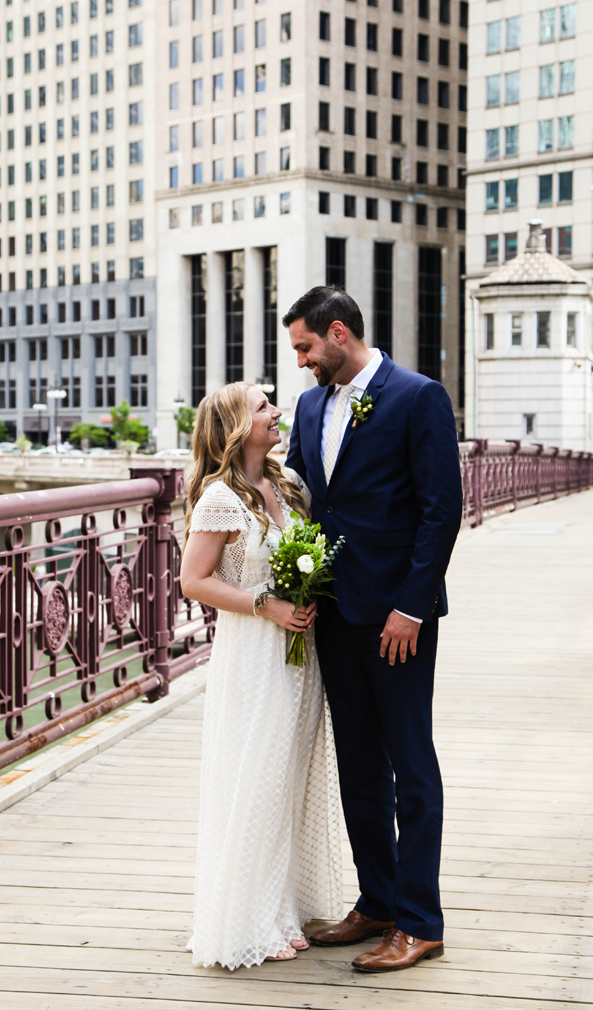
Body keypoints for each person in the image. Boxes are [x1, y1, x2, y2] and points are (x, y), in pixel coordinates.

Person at [283, 285, 463, 974]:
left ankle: (421, 920)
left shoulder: (418, 397)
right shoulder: (308, 405)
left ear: (337, 333)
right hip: (332, 613)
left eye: (305, 346)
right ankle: (378, 901)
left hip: (398, 620)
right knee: (359, 766)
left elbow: (439, 511)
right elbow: (303, 495)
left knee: (410, 767)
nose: (300, 361)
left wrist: (411, 606)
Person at [180, 381, 345, 971]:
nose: (277, 413)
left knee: (291, 774)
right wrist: (266, 605)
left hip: (300, 654)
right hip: (254, 653)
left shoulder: (286, 485)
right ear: (234, 426)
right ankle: (248, 917)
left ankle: (283, 906)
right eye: (263, 407)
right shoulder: (218, 499)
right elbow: (193, 581)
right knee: (259, 777)